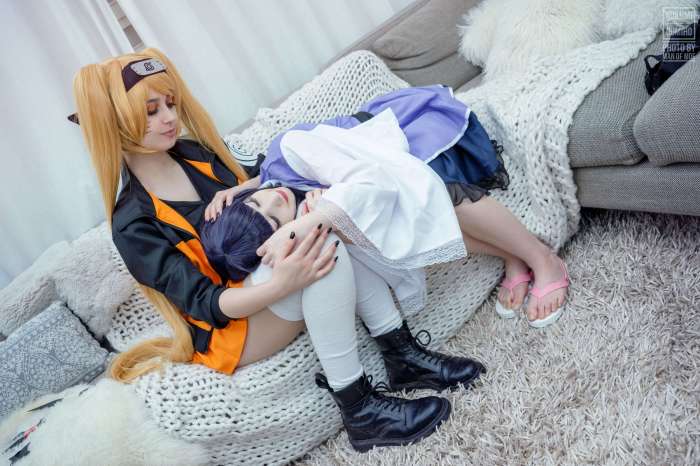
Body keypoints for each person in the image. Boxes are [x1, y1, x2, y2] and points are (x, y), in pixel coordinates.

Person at [70, 48, 483, 453]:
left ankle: (404, 357)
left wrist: (286, 195)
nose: (169, 118)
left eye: (170, 103)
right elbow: (206, 304)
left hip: (264, 280)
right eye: (151, 111)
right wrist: (280, 284)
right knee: (317, 242)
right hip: (233, 327)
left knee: (323, 219)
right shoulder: (133, 223)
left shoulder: (196, 153)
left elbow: (273, 179)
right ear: (115, 125)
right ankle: (360, 410)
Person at [215, 85, 570, 329]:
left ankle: (543, 260)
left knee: (430, 190)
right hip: (386, 164)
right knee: (384, 224)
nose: (275, 200)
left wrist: (311, 216)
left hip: (412, 126)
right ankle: (512, 255)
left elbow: (372, 175)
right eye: (273, 219)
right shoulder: (302, 208)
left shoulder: (286, 153)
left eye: (257, 201)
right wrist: (322, 216)